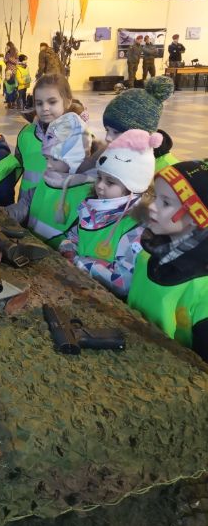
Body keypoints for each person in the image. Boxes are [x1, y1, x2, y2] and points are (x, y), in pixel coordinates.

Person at [59, 130, 162, 297]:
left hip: (103, 299)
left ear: (132, 187)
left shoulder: (135, 227)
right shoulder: (92, 208)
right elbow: (73, 236)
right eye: (99, 177)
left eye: (110, 182)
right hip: (77, 285)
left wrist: (78, 262)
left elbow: (123, 281)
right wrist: (68, 249)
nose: (100, 185)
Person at [128, 160, 208, 362]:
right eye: (154, 196)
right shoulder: (148, 253)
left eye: (165, 203)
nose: (151, 207)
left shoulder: (202, 288)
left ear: (196, 216)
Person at [7, 111, 93, 248]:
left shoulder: (86, 196)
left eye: (55, 159)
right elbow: (26, 203)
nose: (48, 165)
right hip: (32, 248)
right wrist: (5, 215)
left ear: (75, 159)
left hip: (57, 258)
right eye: (46, 158)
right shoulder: (48, 180)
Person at [102, 75, 178, 172]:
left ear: (141, 132)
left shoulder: (166, 170)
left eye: (116, 132)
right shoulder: (115, 153)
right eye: (107, 130)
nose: (107, 138)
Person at [15, 73, 73, 200]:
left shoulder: (79, 139)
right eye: (39, 103)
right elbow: (15, 168)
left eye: (52, 102)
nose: (45, 108)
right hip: (26, 205)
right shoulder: (26, 134)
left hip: (58, 207)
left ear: (68, 102)